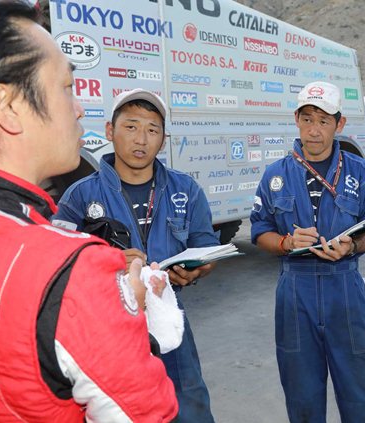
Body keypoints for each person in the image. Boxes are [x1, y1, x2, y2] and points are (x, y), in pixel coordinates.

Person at [0, 1, 177, 420]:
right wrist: (128, 314)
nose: (79, 108)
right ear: (6, 105)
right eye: (67, 88)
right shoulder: (72, 272)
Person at [54, 88, 219, 422]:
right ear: (109, 131)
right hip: (106, 326)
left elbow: (206, 247)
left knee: (190, 407)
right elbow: (58, 265)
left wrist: (197, 269)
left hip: (169, 315)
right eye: (130, 126)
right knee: (119, 410)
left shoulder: (185, 190)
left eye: (152, 129)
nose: (141, 139)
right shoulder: (80, 195)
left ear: (163, 139)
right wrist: (112, 266)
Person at [250, 81, 365, 423]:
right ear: (296, 119)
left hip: (345, 287)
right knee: (302, 394)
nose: (315, 130)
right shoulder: (274, 175)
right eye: (308, 119)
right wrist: (285, 243)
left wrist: (353, 245)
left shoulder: (360, 172)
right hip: (295, 291)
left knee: (362, 393)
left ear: (339, 124)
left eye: (324, 121)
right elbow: (258, 230)